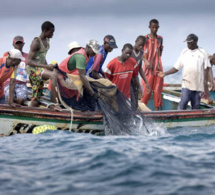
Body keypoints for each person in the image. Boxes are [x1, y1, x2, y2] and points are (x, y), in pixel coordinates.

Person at [158, 34, 213, 110]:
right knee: (184, 102)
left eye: (190, 43)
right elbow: (176, 67)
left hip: (198, 86)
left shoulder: (203, 52)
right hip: (186, 84)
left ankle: (193, 121)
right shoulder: (184, 52)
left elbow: (207, 70)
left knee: (196, 106)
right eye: (187, 43)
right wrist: (165, 73)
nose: (188, 44)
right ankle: (178, 118)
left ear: (195, 42)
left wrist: (208, 94)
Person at [27, 21, 61, 111]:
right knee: (53, 75)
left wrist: (47, 66)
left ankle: (28, 114)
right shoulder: (36, 42)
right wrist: (45, 67)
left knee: (35, 100)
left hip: (39, 69)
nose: (52, 34)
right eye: (51, 32)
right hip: (32, 70)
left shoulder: (47, 40)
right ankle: (56, 104)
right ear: (45, 31)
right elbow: (29, 61)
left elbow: (42, 57)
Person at [57, 39, 100, 111]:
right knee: (87, 87)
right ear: (88, 47)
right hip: (61, 79)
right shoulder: (81, 57)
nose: (95, 54)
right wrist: (92, 93)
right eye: (94, 51)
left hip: (71, 77)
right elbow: (82, 76)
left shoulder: (88, 56)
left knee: (88, 85)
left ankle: (86, 108)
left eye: (96, 52)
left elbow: (80, 75)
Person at [141, 19, 164, 111]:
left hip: (158, 69)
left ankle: (157, 111)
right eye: (153, 27)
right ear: (149, 27)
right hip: (147, 69)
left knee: (158, 90)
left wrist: (157, 63)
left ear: (158, 27)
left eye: (156, 27)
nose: (154, 29)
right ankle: (142, 110)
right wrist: (145, 61)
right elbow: (139, 52)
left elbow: (160, 52)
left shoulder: (160, 38)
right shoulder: (144, 38)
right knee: (146, 89)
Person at [3, 36, 28, 105]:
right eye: (17, 43)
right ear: (13, 44)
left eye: (20, 43)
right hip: (8, 83)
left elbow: (31, 71)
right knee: (9, 99)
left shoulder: (28, 56)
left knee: (20, 101)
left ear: (23, 44)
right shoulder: (7, 55)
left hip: (21, 84)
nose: (19, 45)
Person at [130, 35, 151, 109]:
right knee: (130, 99)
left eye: (143, 45)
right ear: (135, 42)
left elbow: (140, 69)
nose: (141, 47)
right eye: (140, 45)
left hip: (135, 79)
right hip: (128, 79)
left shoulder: (141, 52)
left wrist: (146, 82)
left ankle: (135, 117)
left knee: (135, 101)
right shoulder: (129, 51)